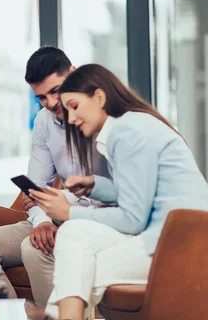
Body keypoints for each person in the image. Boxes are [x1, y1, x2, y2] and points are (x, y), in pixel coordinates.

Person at [28, 64, 208, 320]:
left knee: (78, 267)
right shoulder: (133, 124)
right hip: (168, 232)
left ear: (100, 97)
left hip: (178, 242)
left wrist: (68, 212)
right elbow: (143, 192)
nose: (70, 119)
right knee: (74, 243)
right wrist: (95, 185)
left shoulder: (127, 132)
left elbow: (133, 219)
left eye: (75, 106)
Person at [0, 47, 110, 308]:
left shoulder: (103, 115)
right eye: (42, 97)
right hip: (57, 215)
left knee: (35, 249)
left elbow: (111, 195)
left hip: (97, 220)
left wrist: (56, 203)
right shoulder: (44, 121)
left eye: (56, 90)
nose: (52, 103)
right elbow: (35, 191)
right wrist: (42, 221)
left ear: (73, 74)